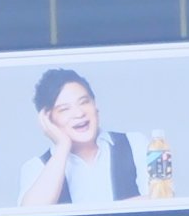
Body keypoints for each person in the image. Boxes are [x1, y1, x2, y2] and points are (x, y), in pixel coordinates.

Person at [15, 67, 142, 205]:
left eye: (84, 102)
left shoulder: (134, 143)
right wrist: (62, 146)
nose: (79, 113)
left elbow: (161, 199)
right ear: (48, 120)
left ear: (95, 105)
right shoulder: (37, 167)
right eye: (64, 109)